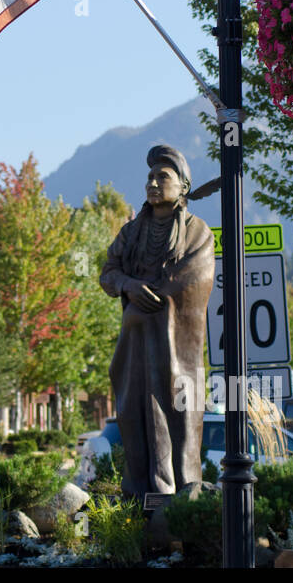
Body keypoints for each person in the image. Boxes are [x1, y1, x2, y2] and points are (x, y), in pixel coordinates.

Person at [99, 145, 216, 501]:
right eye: (150, 177)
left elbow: (193, 282)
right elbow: (108, 273)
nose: (152, 183)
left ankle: (180, 503)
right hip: (134, 345)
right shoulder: (131, 232)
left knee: (178, 420)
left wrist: (154, 299)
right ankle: (139, 499)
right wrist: (127, 285)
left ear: (183, 186)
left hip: (175, 351)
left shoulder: (198, 233)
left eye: (162, 177)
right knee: (134, 415)